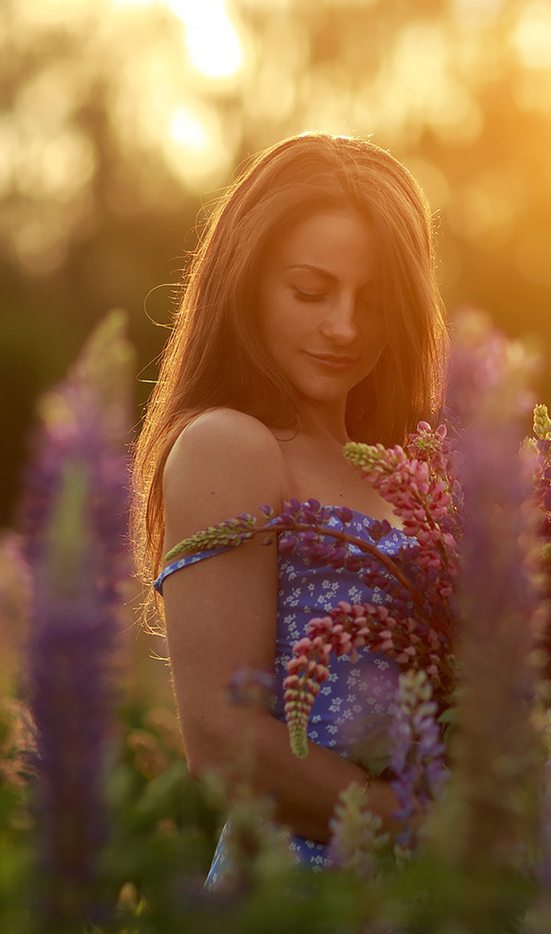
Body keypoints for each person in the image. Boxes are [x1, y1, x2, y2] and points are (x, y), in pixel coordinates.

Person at [131, 133, 447, 881]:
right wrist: (429, 833)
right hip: (298, 908)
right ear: (246, 283)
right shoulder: (229, 448)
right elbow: (221, 742)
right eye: (311, 291)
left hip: (437, 921)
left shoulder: (412, 470)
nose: (344, 327)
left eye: (373, 301)